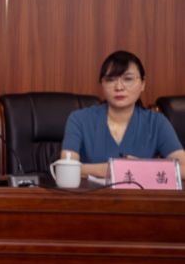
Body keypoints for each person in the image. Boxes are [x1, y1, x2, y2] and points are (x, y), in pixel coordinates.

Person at [62, 50, 184, 179]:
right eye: (111, 80)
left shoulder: (156, 122)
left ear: (143, 84)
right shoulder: (79, 119)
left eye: (128, 79)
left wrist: (144, 168)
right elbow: (65, 169)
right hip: (90, 192)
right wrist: (117, 169)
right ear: (102, 84)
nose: (119, 87)